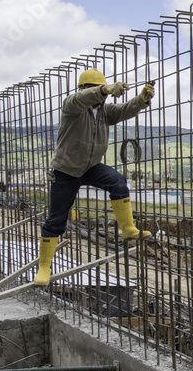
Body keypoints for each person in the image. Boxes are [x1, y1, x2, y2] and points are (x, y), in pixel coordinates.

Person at [33, 69, 154, 285]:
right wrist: (104, 89)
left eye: (102, 93)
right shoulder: (72, 106)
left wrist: (141, 100)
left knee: (117, 182)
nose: (101, 98)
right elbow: (81, 98)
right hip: (66, 170)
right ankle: (44, 267)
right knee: (55, 221)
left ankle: (128, 229)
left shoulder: (105, 112)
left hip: (90, 166)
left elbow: (125, 109)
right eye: (95, 91)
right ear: (84, 90)